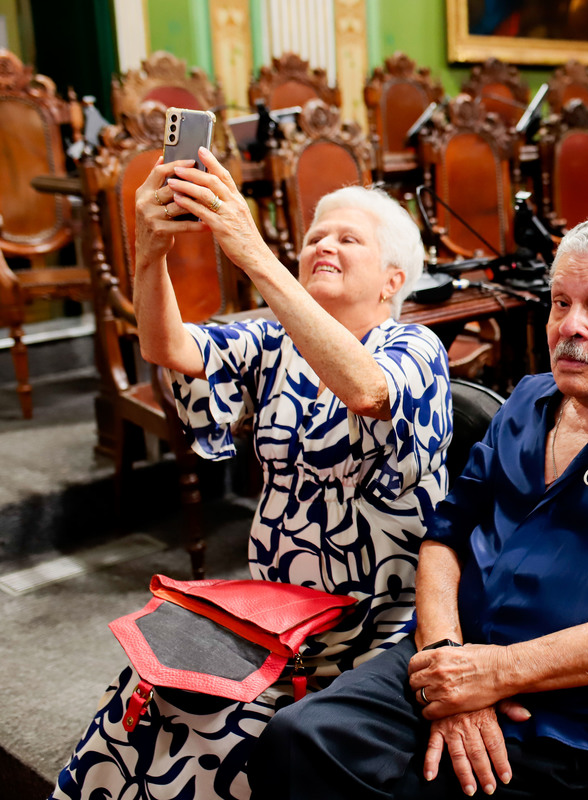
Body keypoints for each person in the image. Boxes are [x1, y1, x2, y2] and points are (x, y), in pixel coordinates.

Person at [246, 215, 588, 799]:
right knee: (295, 738)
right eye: (560, 302)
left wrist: (495, 674)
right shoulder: (528, 399)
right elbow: (445, 534)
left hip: (570, 708)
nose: (572, 327)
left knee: (417, 787)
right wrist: (448, 659)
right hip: (447, 655)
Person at [50, 148, 452, 800]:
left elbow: (370, 393)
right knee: (145, 687)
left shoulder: (415, 349)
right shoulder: (274, 339)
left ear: (391, 280)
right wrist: (146, 252)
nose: (325, 244)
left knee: (217, 724)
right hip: (274, 612)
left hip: (369, 626)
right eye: (316, 236)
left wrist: (251, 251)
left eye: (349, 238)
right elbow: (168, 348)